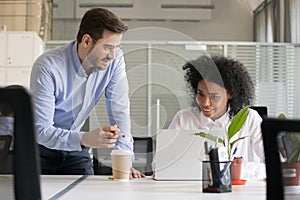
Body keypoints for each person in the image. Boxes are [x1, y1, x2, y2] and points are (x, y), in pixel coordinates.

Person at [30, 7, 144, 177]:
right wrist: (84, 139)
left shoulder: (115, 61)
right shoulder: (48, 66)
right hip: (41, 148)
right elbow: (41, 130)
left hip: (76, 148)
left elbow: (119, 111)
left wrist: (124, 159)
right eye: (107, 47)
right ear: (86, 41)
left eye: (116, 48)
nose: (112, 55)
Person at [169, 55, 265, 164]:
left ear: (230, 94)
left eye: (214, 97)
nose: (205, 103)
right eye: (201, 94)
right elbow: (161, 163)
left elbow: (274, 161)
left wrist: (240, 171)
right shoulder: (183, 119)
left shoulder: (249, 119)